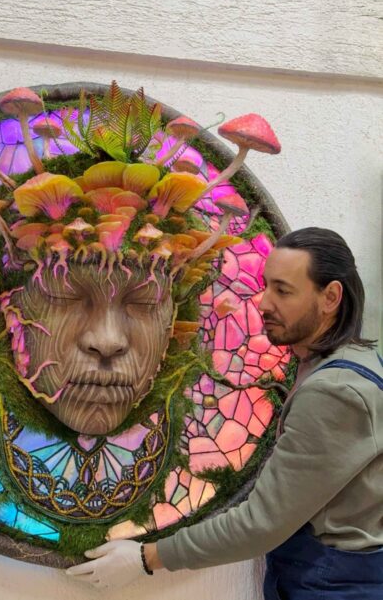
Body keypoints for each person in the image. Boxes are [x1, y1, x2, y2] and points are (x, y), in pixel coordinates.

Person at [66, 227, 383, 599]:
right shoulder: (352, 361)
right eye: (265, 286)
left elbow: (261, 524)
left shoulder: (334, 393)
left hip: (334, 586)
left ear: (330, 297)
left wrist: (146, 557)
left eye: (283, 291)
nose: (264, 303)